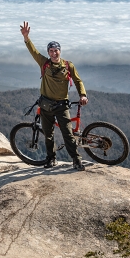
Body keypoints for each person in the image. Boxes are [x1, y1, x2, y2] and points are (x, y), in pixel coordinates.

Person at [20, 21, 88, 171]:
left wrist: (82, 94)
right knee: (48, 134)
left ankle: (76, 160)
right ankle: (51, 159)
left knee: (68, 135)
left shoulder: (68, 65)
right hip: (45, 105)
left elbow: (78, 80)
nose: (53, 53)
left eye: (56, 50)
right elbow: (34, 52)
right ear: (49, 52)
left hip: (61, 105)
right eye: (51, 51)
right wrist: (26, 37)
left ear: (60, 51)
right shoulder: (44, 63)